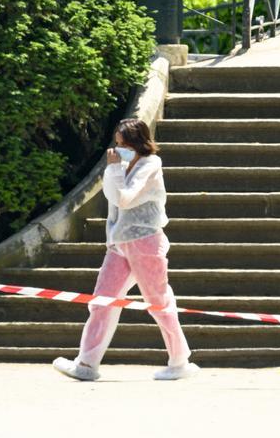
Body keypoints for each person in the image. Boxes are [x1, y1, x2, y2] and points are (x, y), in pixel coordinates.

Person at [53, 118, 198, 382]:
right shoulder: (120, 165)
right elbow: (113, 198)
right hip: (119, 244)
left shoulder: (150, 164)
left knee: (159, 303)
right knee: (102, 302)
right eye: (117, 144)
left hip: (145, 242)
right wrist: (115, 169)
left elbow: (124, 198)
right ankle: (86, 364)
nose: (118, 149)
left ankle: (179, 361)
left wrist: (115, 169)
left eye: (123, 144)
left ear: (137, 143)